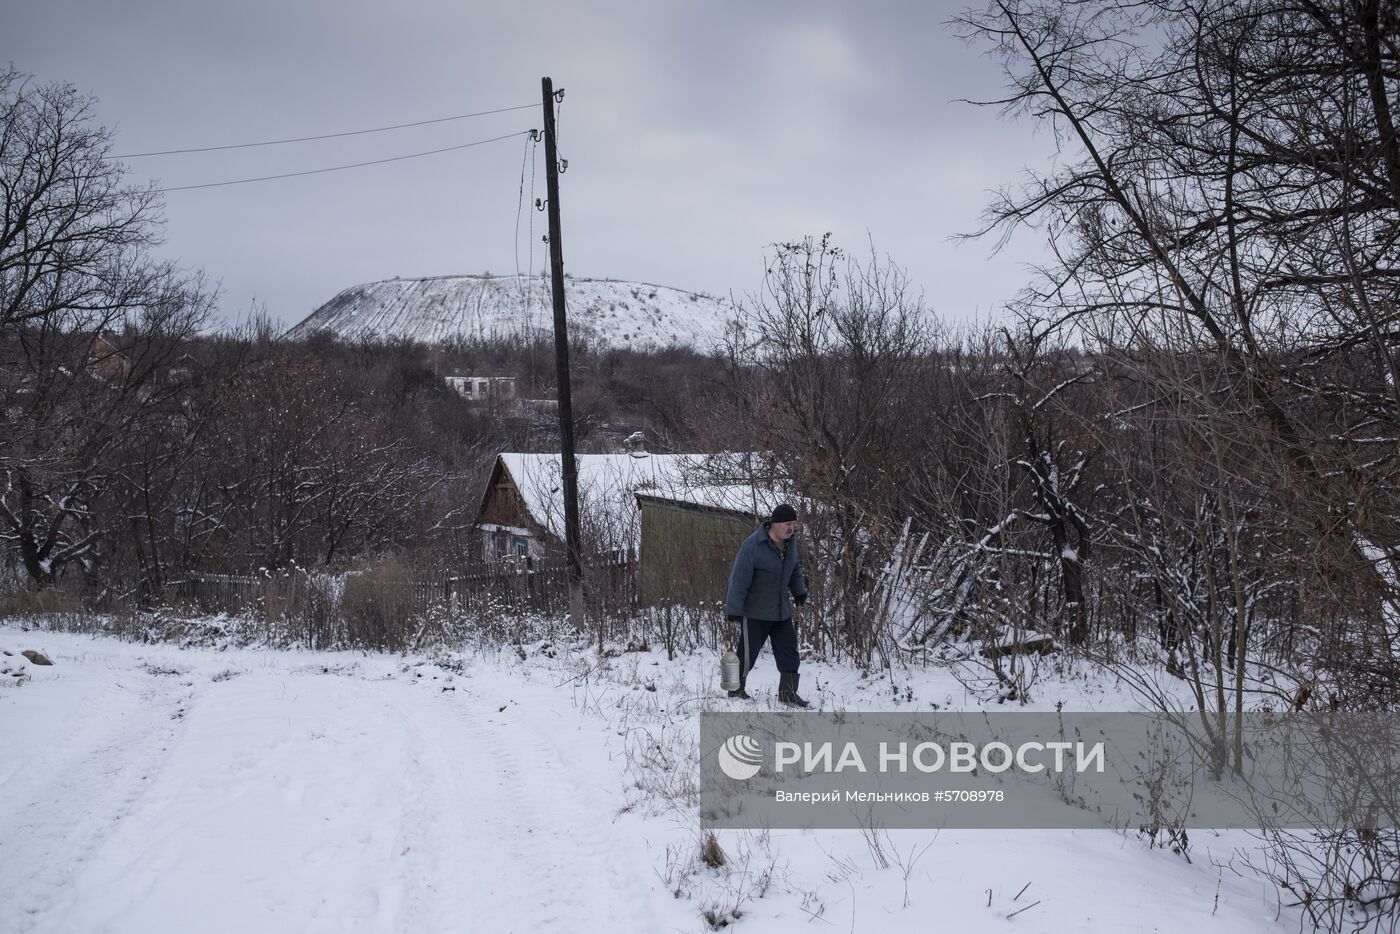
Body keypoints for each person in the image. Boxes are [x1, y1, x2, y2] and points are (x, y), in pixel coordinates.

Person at [724, 503, 810, 707]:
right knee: (746, 654)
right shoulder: (753, 546)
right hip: (755, 611)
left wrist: (799, 590)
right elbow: (738, 579)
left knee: (789, 652)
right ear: (776, 524)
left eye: (794, 524)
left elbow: (794, 568)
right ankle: (734, 689)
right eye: (788, 524)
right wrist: (733, 609)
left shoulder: (791, 544)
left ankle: (788, 693)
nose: (792, 528)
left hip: (781, 611)